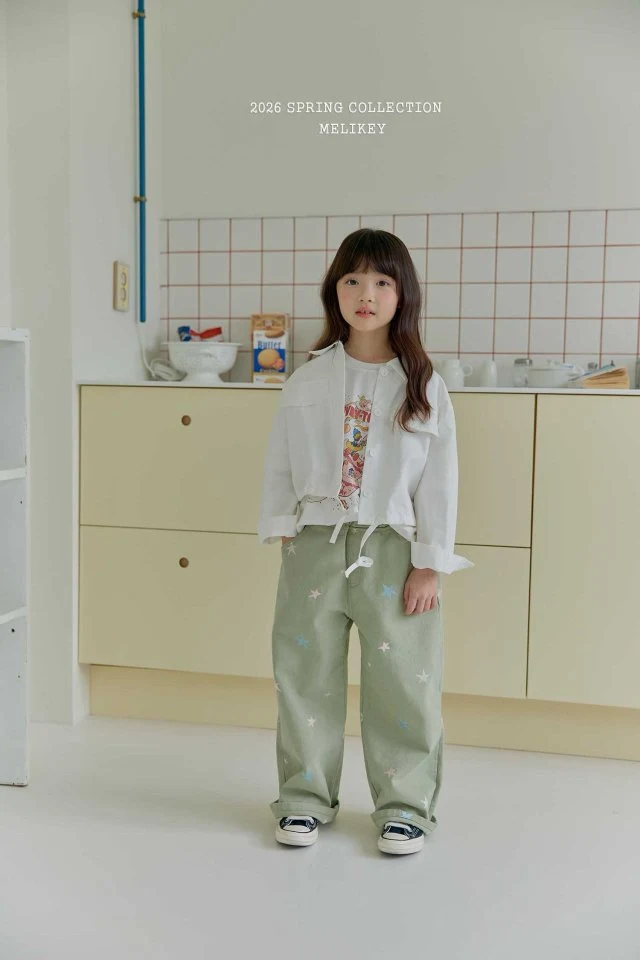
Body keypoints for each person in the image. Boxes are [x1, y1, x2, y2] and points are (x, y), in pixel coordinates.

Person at [257, 227, 474, 856]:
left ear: (402, 294)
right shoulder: (307, 378)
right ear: (335, 290)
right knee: (304, 675)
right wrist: (284, 529)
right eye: (352, 280)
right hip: (315, 540)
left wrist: (429, 563)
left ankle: (404, 806)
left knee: (404, 680)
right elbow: (281, 460)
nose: (365, 294)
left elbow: (440, 481)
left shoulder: (423, 384)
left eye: (381, 281)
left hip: (394, 549)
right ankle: (303, 797)